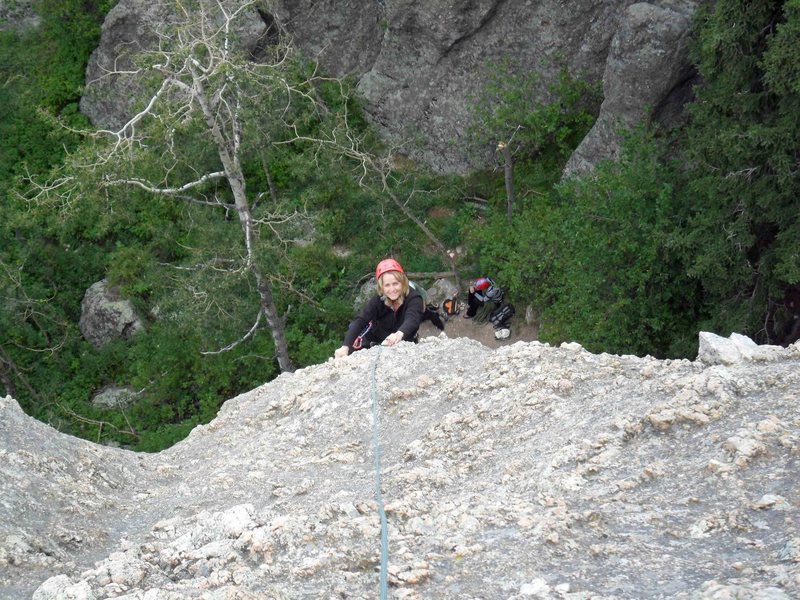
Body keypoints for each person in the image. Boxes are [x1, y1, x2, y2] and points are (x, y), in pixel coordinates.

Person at [334, 258, 424, 358]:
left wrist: (398, 334)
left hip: (403, 341)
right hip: (374, 342)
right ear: (381, 287)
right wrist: (345, 346)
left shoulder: (413, 298)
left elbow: (412, 319)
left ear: (402, 283)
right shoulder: (379, 301)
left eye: (395, 284)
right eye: (387, 285)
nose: (392, 289)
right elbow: (361, 320)